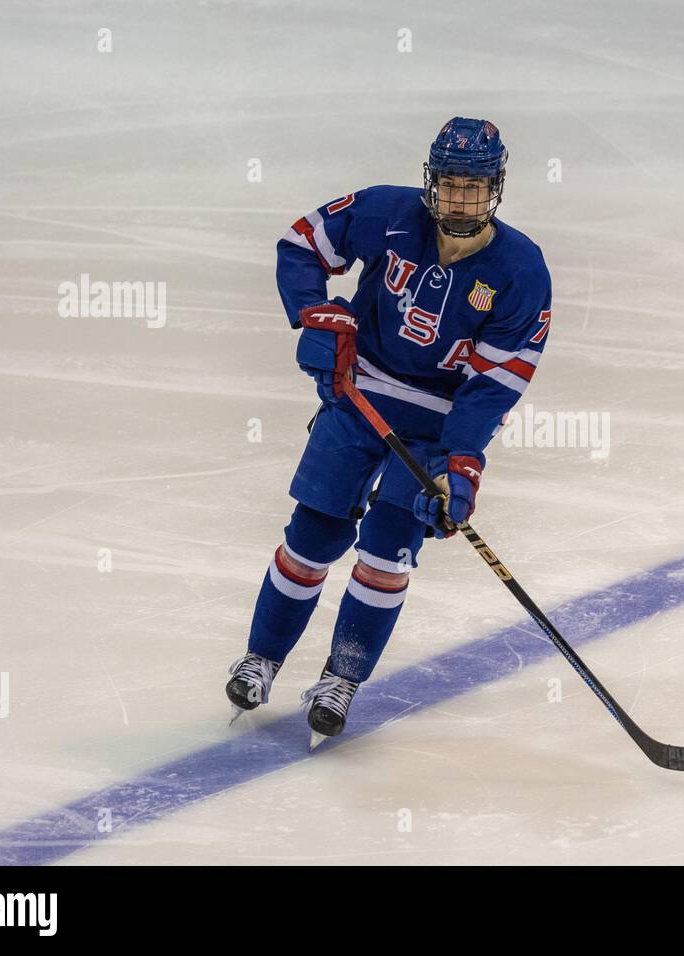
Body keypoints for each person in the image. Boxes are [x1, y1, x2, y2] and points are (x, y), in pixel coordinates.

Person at [225, 117, 553, 746]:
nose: (460, 200)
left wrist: (462, 461)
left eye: (474, 187)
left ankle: (340, 679)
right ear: (432, 183)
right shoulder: (389, 213)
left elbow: (493, 385)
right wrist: (316, 314)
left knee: (387, 552)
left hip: (434, 426)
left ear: (496, 189)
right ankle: (262, 659)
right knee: (312, 537)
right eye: (450, 185)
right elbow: (302, 244)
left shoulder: (521, 270)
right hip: (360, 396)